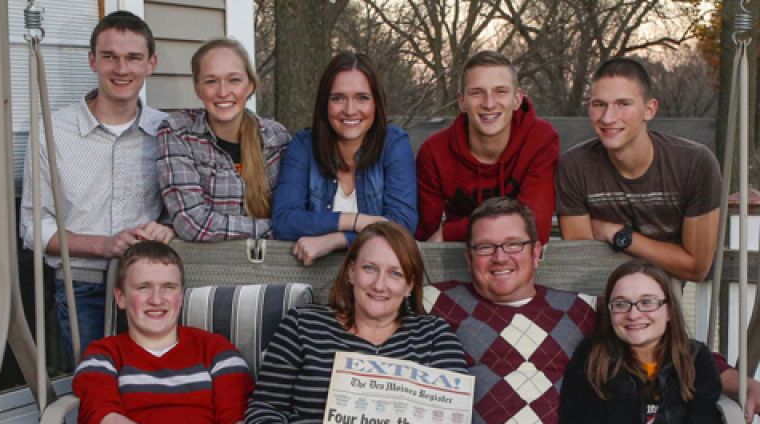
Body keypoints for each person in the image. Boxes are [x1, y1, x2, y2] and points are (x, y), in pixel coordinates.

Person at [427, 197, 755, 424]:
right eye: (485, 247)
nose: (500, 257)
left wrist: (739, 382)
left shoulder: (578, 309)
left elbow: (653, 337)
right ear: (469, 257)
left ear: (538, 252)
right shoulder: (435, 302)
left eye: (514, 244)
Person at [245, 222, 467, 424]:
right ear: (351, 272)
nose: (379, 285)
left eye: (395, 273)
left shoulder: (434, 336)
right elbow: (264, 408)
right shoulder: (303, 324)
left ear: (409, 285)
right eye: (369, 268)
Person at [20, 11, 174, 361]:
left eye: (133, 57)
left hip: (153, 288)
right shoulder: (52, 130)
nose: (122, 69)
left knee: (155, 391)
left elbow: (181, 210)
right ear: (93, 61)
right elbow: (32, 227)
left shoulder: (168, 130)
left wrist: (166, 229)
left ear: (151, 63)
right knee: (96, 393)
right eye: (110, 57)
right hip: (81, 289)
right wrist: (102, 245)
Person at [73, 241, 253, 424]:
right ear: (121, 297)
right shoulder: (104, 354)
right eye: (143, 287)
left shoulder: (216, 349)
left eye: (168, 287)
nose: (157, 300)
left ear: (181, 295)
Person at [556, 57, 720, 282]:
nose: (608, 117)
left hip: (664, 300)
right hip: (596, 296)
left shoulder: (694, 163)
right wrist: (667, 255)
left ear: (649, 109)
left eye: (623, 104)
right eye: (599, 104)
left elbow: (696, 268)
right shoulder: (575, 166)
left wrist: (618, 235)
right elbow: (583, 264)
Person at [560, 261, 725, 424]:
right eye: (621, 304)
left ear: (668, 311)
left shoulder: (695, 358)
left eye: (647, 302)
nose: (634, 314)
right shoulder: (591, 358)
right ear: (609, 311)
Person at [272, 52, 417, 265]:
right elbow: (284, 220)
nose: (350, 110)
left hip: (378, 282)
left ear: (376, 103)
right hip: (310, 278)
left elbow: (402, 225)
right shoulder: (304, 145)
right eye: (338, 98)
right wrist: (357, 221)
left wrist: (337, 239)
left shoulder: (393, 144)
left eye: (362, 98)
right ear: (324, 103)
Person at [414, 50, 558, 245]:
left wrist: (450, 233)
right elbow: (427, 237)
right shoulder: (435, 153)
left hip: (520, 264)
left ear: (517, 99)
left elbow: (535, 228)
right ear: (462, 102)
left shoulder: (539, 140)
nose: (489, 103)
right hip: (455, 262)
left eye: (500, 91)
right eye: (476, 93)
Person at [157, 38, 290, 241]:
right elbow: (191, 223)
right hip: (206, 267)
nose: (222, 92)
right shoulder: (178, 132)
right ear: (197, 88)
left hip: (267, 266)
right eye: (211, 81)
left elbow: (295, 211)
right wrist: (280, 228)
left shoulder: (276, 138)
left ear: (250, 85)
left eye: (234, 80)